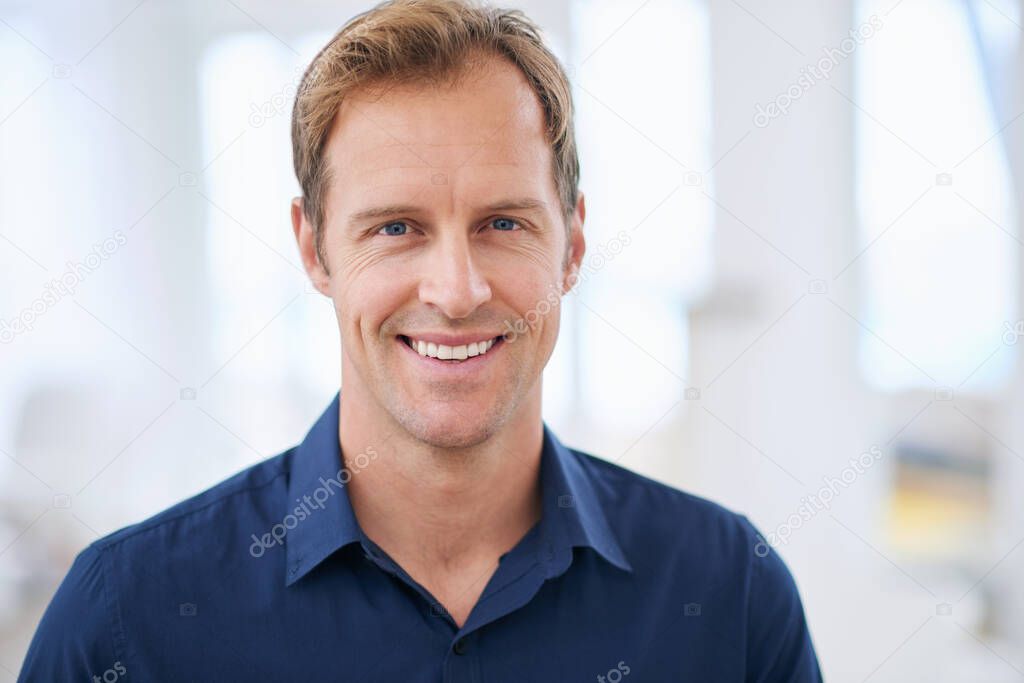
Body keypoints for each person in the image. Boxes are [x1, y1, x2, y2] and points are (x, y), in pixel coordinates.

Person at [20, 0, 822, 680]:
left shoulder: (728, 596)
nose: (457, 289)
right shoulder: (126, 617)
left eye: (503, 223)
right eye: (397, 227)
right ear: (314, 249)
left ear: (573, 245)